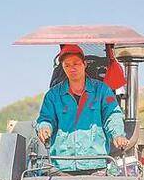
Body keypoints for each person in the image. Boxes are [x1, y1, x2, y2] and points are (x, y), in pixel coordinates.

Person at [36, 44, 128, 172]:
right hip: (61, 167)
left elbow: (112, 115)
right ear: (62, 67)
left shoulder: (102, 90)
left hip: (96, 166)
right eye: (67, 65)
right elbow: (45, 118)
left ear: (84, 64)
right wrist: (44, 127)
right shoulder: (52, 95)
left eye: (76, 63)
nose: (71, 68)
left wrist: (117, 134)